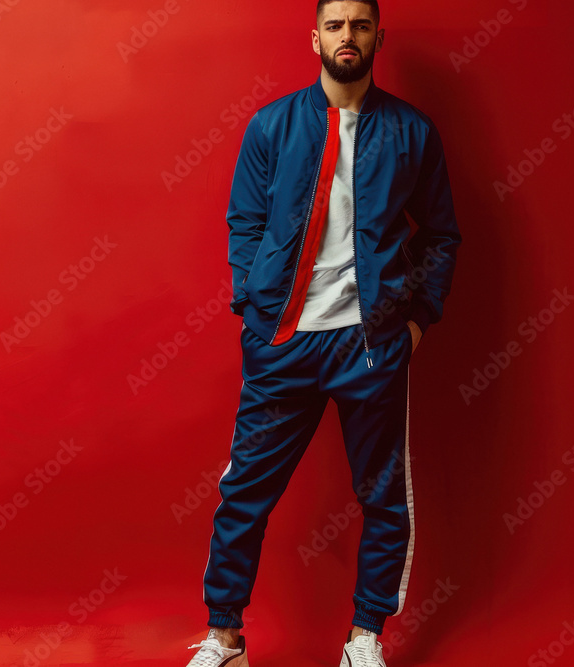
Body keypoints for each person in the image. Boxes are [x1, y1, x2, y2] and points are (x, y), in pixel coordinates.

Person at [186, 0, 461, 664]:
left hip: (369, 344)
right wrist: (253, 308)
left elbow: (442, 235)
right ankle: (225, 637)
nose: (347, 36)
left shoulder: (412, 131)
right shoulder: (272, 126)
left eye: (360, 25)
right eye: (335, 25)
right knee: (243, 492)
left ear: (378, 37)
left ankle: (365, 638)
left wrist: (416, 324)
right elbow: (244, 221)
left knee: (383, 498)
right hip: (284, 341)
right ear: (315, 37)